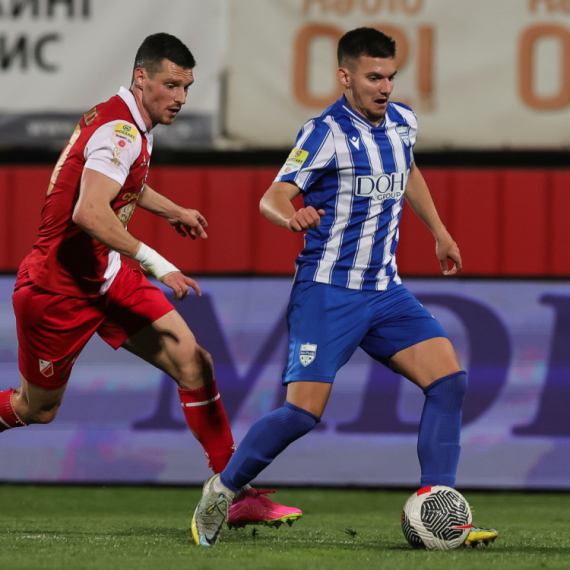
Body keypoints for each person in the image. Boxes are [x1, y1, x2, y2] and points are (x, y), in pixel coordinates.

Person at [192, 27, 498, 547]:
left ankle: (442, 512)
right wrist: (290, 215)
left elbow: (407, 170)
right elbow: (273, 196)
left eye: (391, 77)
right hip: (328, 292)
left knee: (449, 382)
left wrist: (440, 232)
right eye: (373, 77)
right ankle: (222, 491)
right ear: (345, 77)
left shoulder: (403, 122)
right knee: (302, 413)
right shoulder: (325, 133)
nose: (385, 87)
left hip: (385, 291)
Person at [0, 32, 300, 529]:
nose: (180, 98)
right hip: (57, 288)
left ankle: (230, 491)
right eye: (171, 85)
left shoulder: (128, 120)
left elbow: (121, 182)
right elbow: (89, 212)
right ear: (142, 78)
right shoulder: (121, 130)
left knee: (194, 360)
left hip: (107, 274)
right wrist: (160, 264)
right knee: (37, 408)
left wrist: (172, 209)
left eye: (187, 88)